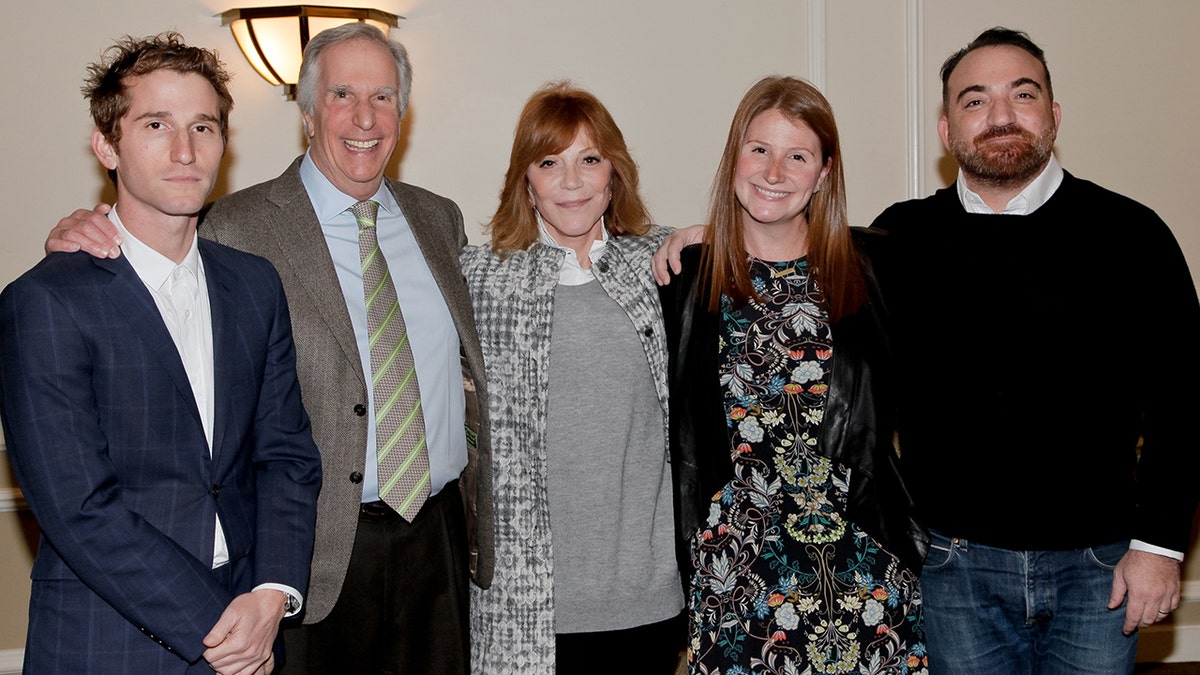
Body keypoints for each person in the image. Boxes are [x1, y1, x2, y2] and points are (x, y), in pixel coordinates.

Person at [46, 22, 492, 674]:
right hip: (310, 550)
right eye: (342, 94)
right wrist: (84, 225)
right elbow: (151, 273)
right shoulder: (235, 227)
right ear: (308, 114)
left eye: (384, 96)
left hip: (438, 535)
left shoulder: (439, 219)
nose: (365, 117)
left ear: (404, 111)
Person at [864, 27, 1200, 674]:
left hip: (1101, 567)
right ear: (946, 129)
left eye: (1023, 93)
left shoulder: (1133, 233)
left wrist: (1161, 543)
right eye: (974, 100)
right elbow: (803, 274)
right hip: (952, 565)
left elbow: (1185, 397)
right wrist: (720, 234)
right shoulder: (900, 237)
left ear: (1053, 113)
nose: (1000, 116)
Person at [0, 33, 322, 674]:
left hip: (251, 620)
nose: (185, 150)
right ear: (106, 145)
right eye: (156, 125)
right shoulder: (44, 301)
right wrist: (224, 629)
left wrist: (270, 593)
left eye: (203, 126)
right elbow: (79, 508)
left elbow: (286, 455)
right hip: (109, 638)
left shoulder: (253, 284)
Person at [658, 76, 928, 675]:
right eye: (759, 149)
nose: (773, 171)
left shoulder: (878, 268)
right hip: (736, 575)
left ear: (824, 172)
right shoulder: (686, 277)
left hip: (865, 575)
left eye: (797, 155)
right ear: (734, 157)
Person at [460, 81, 685, 674]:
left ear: (614, 172)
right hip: (521, 604)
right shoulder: (480, 280)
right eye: (549, 162)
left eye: (589, 159)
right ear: (525, 181)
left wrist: (704, 234)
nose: (572, 181)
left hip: (648, 595)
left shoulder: (664, 266)